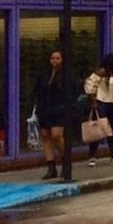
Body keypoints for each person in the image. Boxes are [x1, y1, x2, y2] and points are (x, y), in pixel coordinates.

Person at [32, 50, 75, 181]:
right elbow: (37, 90)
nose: (54, 61)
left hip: (59, 109)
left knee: (57, 135)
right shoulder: (44, 74)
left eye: (57, 58)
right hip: (45, 109)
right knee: (46, 136)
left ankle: (66, 161)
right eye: (52, 58)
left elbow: (72, 91)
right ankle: (51, 167)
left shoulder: (66, 75)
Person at [84, 55, 113, 165]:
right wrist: (93, 100)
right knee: (98, 129)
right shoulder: (102, 72)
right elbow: (89, 84)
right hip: (101, 102)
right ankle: (92, 155)